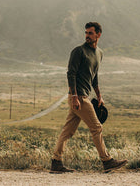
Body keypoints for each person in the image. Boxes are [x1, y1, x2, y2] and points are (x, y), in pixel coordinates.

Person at [50, 22, 127, 173]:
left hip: (84, 95)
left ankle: (56, 162)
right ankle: (107, 161)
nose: (87, 36)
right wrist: (74, 96)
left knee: (68, 131)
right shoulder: (78, 51)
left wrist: (99, 96)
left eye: (90, 33)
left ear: (98, 34)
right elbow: (70, 74)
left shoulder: (99, 53)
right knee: (97, 127)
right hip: (79, 97)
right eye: (86, 33)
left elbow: (94, 76)